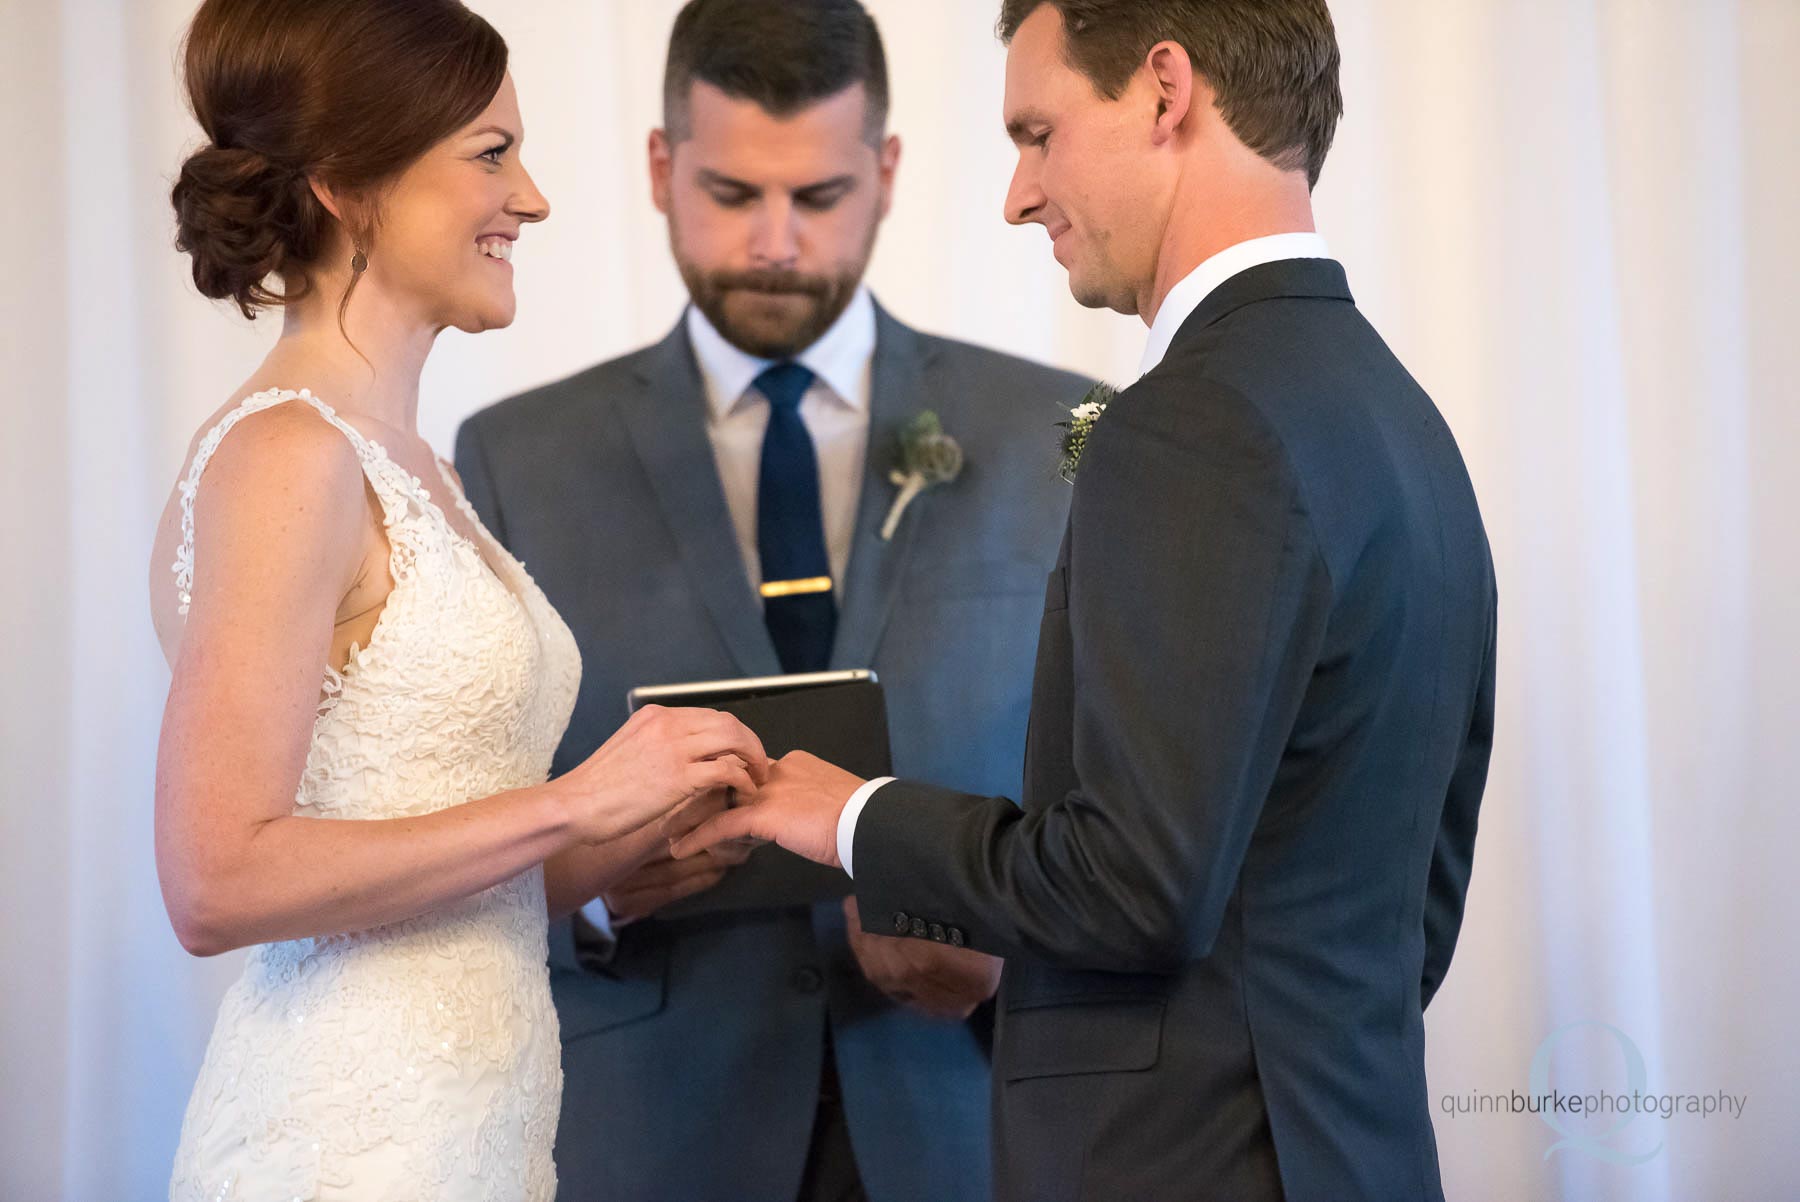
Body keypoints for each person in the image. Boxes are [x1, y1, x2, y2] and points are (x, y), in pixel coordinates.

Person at [673, 2, 1499, 1200]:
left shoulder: (1192, 418)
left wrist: (851, 816)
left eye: (1039, 132)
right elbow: (1418, 908)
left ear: (1165, 90)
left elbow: (1132, 885)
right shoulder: (1403, 420)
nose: (1019, 194)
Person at [453, 2, 1088, 1198]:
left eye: (822, 196)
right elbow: (454, 835)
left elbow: (1136, 810)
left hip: (971, 1124)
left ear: (888, 172)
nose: (778, 244)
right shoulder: (516, 456)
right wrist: (585, 897)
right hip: (657, 1136)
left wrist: (1010, 962)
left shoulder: (1062, 428)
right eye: (735, 194)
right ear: (660, 167)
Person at [152, 2, 766, 1198]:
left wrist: (617, 843)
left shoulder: (407, 458)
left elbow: (414, 861)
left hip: (477, 1130)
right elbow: (216, 876)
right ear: (347, 184)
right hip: (347, 1141)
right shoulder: (290, 454)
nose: (530, 198)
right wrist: (571, 803)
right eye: (492, 154)